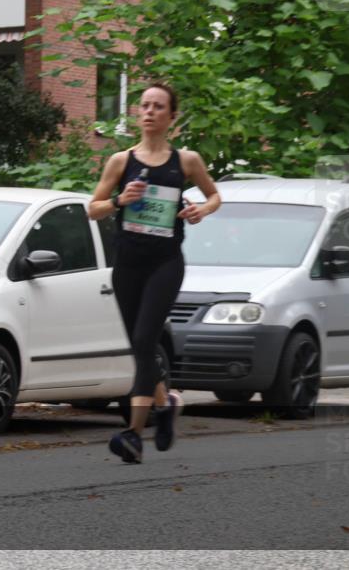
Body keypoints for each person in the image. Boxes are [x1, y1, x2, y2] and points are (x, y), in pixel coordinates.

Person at [88, 83, 221, 463]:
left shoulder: (187, 161)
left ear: (171, 117)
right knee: (139, 344)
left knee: (146, 339)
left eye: (158, 106)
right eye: (144, 105)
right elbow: (92, 208)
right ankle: (165, 407)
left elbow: (214, 196)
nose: (149, 111)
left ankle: (132, 432)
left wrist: (201, 211)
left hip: (165, 262)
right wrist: (119, 200)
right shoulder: (119, 160)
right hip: (127, 262)